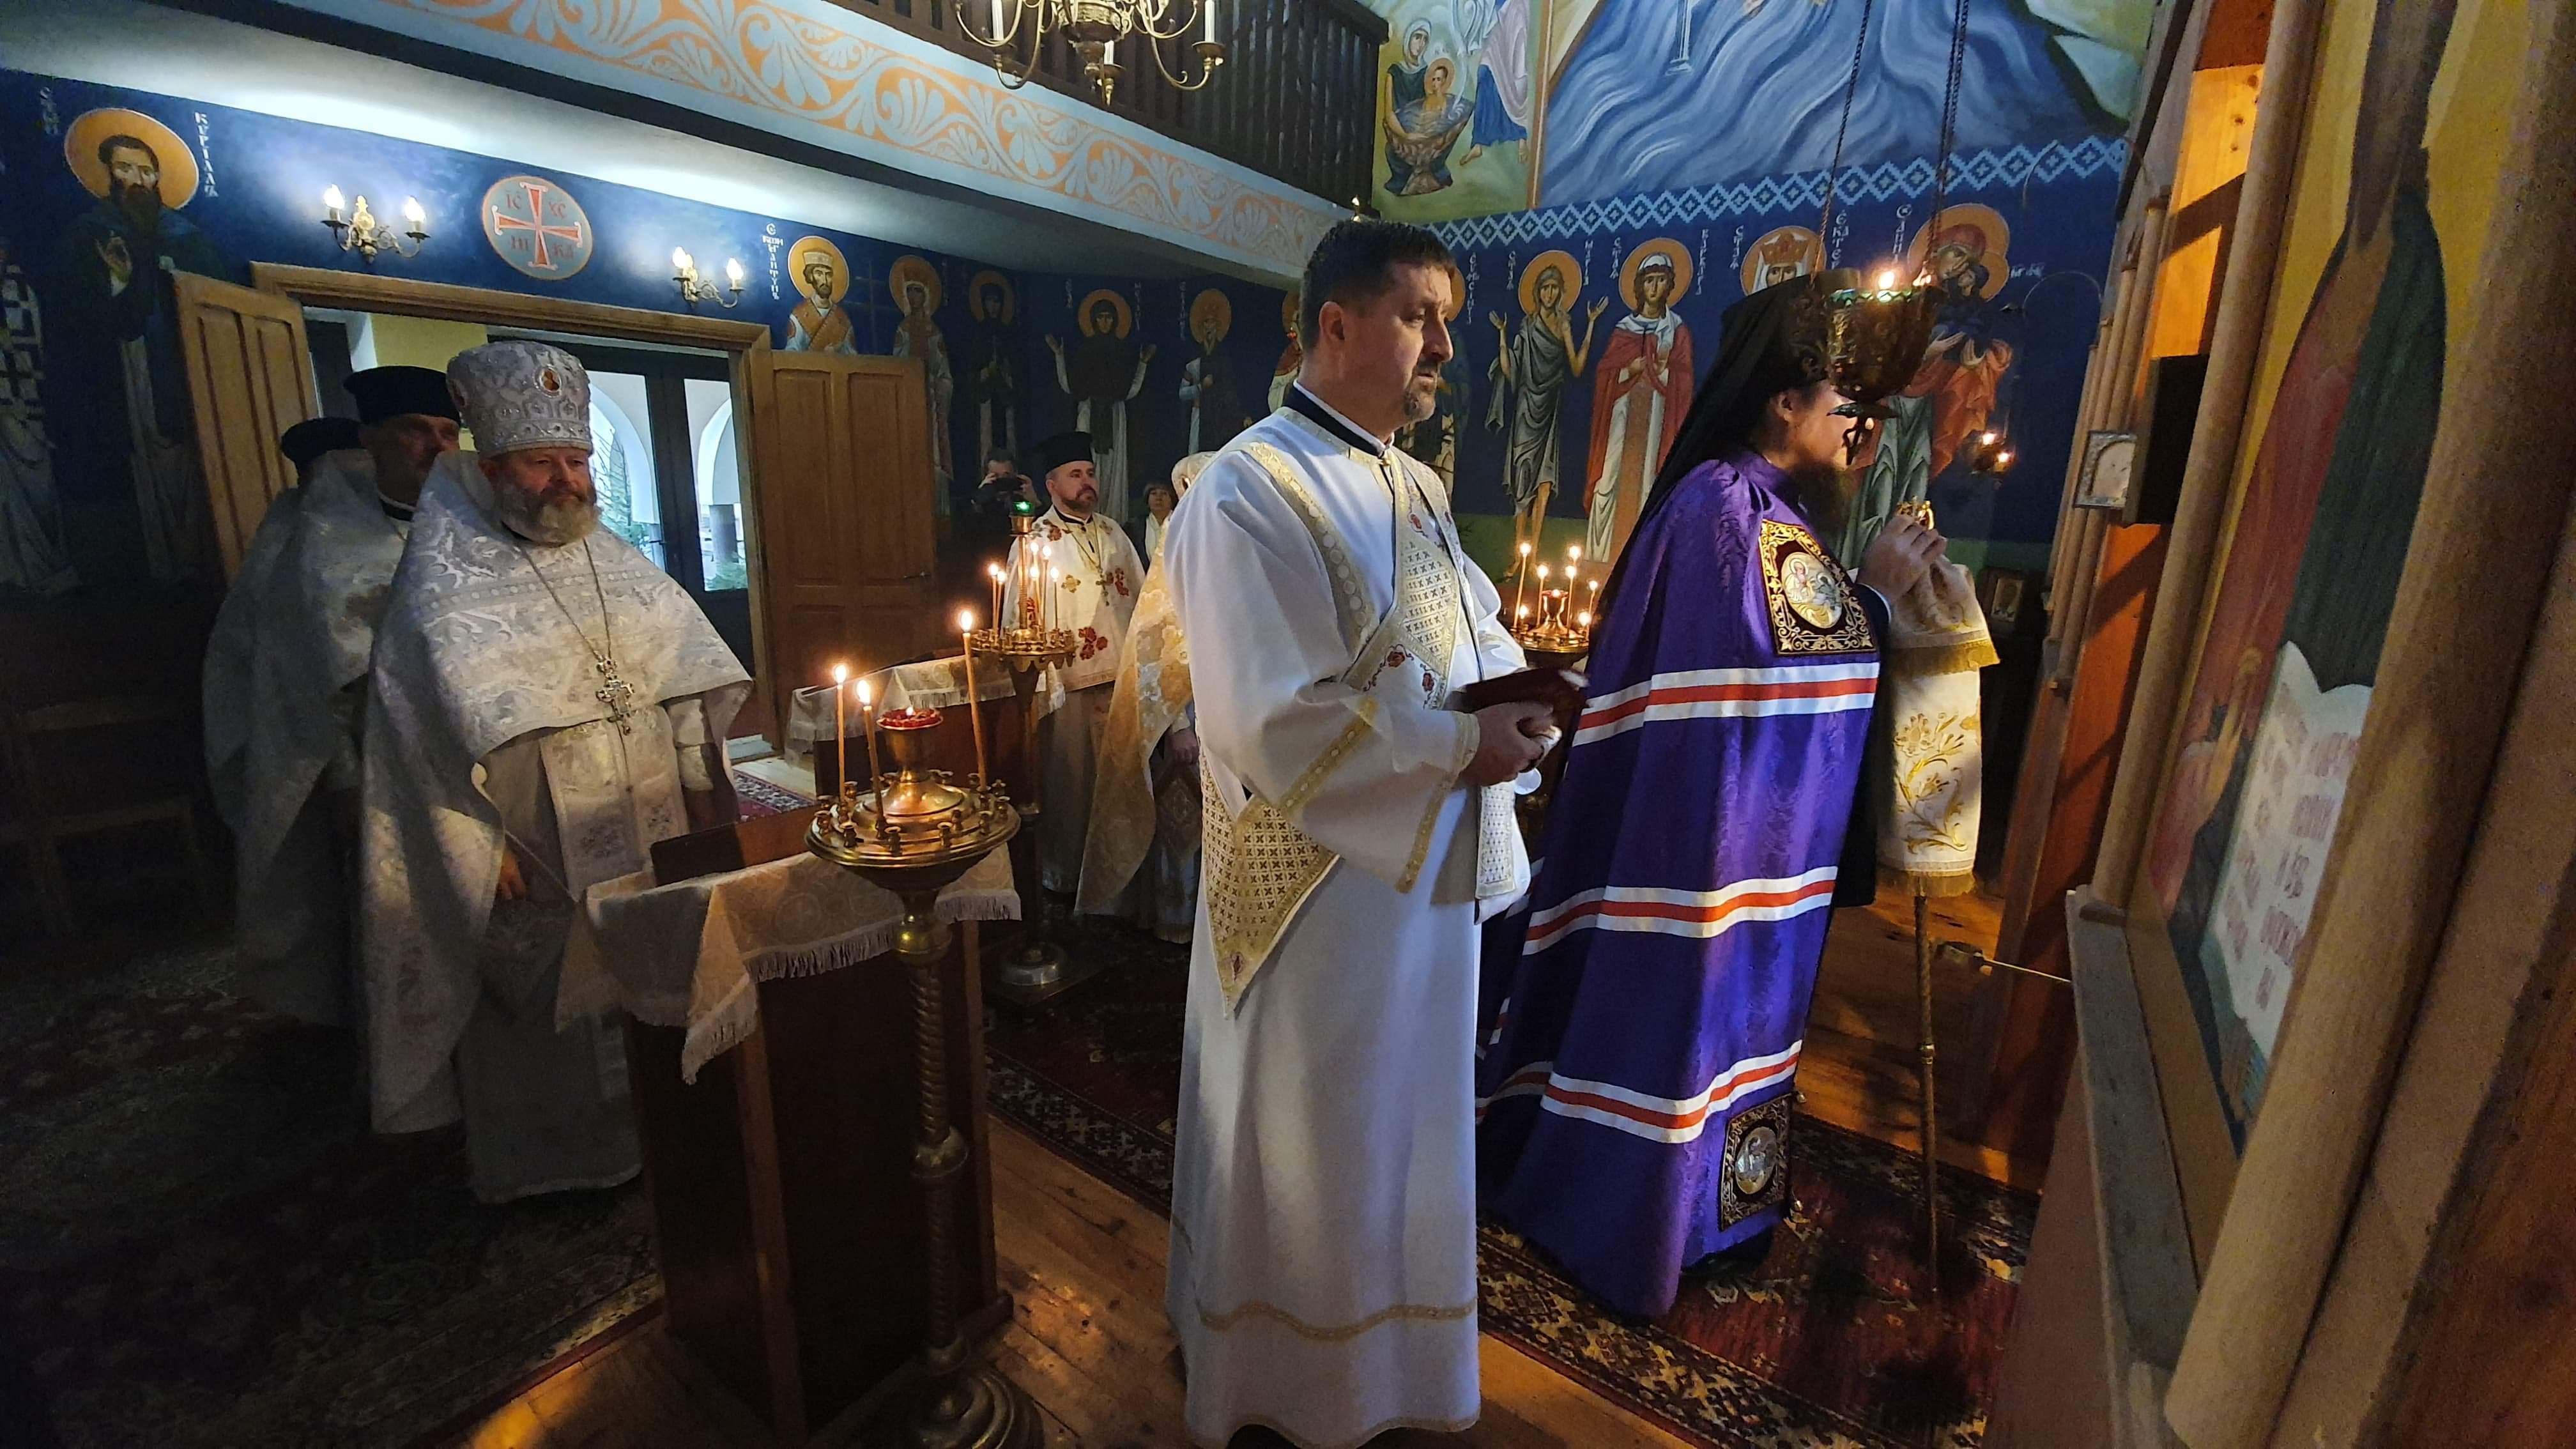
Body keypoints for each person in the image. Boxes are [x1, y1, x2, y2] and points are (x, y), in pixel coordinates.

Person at [1474, 272, 1946, 1321]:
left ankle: (1713, 1207)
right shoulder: (1727, 507)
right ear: (1783, 400)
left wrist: (1871, 598)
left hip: (1738, 841)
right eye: (1849, 404)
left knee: (1730, 1021)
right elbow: (1778, 672)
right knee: (1689, 1023)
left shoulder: (1759, 506)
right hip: (1700, 847)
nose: (1865, 431)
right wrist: (1874, 593)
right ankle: (1656, 1216)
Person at [1161, 220, 1552, 1447]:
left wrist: (1523, 694)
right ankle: (1284, 1380)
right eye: (1418, 317)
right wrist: (1460, 743)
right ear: (1335, 324)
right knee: (1316, 1131)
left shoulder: (1413, 481)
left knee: (1404, 1123)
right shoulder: (1243, 489)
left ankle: (1394, 1369)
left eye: (1446, 322)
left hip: (1421, 876)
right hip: (1312, 900)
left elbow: (1467, 630)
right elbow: (1266, 718)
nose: (1443, 346)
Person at [358, 341, 749, 1204]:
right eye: (542, 463)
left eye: (576, 461)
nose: (566, 481)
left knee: (653, 962)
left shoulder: (619, 564)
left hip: (646, 819)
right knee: (546, 1001)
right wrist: (478, 847)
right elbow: (416, 741)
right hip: (531, 838)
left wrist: (697, 776)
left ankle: (661, 1131)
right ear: (492, 469)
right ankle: (560, 1166)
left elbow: (683, 681)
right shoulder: (440, 586)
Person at [204, 368, 458, 1026]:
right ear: (372, 440)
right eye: (416, 431)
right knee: (390, 913)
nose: (436, 448)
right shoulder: (324, 549)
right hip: (379, 763)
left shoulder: (475, 529)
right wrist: (344, 781)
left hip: (466, 754)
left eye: (448, 432)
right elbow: (310, 681)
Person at [1002, 430, 1147, 896]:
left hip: (1122, 682)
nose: (1087, 482)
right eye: (1075, 474)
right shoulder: (1033, 540)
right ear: (1052, 485)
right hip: (1068, 685)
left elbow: (1144, 601)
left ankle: (1121, 886)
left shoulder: (1114, 532)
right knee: (1072, 788)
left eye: (1090, 473)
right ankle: (1067, 885)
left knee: (1122, 785)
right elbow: (1017, 621)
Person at [1078, 453, 1215, 943]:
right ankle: (1176, 919)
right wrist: (1179, 726)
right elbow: (1160, 646)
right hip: (1188, 709)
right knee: (1183, 818)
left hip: (1225, 710)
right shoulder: (1180, 545)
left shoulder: (1221, 540)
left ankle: (1211, 925)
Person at [1584, 249, 1696, 563]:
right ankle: (1599, 555)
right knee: (1609, 477)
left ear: (1670, 285)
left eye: (1661, 280)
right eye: (1649, 280)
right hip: (1621, 414)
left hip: (1657, 417)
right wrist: (1627, 370)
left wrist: (1664, 370)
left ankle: (1641, 560)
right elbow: (1604, 373)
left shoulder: (1677, 330)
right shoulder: (1624, 328)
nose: (1654, 287)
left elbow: (1686, 379)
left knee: (1650, 480)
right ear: (1640, 286)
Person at [1046, 296, 1153, 522]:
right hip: (1089, 412)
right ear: (1094, 320)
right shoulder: (1084, 350)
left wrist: (1143, 364)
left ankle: (1112, 515)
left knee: (1114, 464)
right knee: (1087, 460)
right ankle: (1085, 512)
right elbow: (1071, 386)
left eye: (1109, 318)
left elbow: (1130, 389)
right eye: (1101, 317)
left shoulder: (1123, 350)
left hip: (1114, 414)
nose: (1105, 322)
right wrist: (1059, 356)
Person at [1139, 480, 1178, 562]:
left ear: (1172, 499)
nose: (1159, 498)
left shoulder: (1182, 524)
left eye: (1164, 494)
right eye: (1154, 494)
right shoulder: (1134, 527)